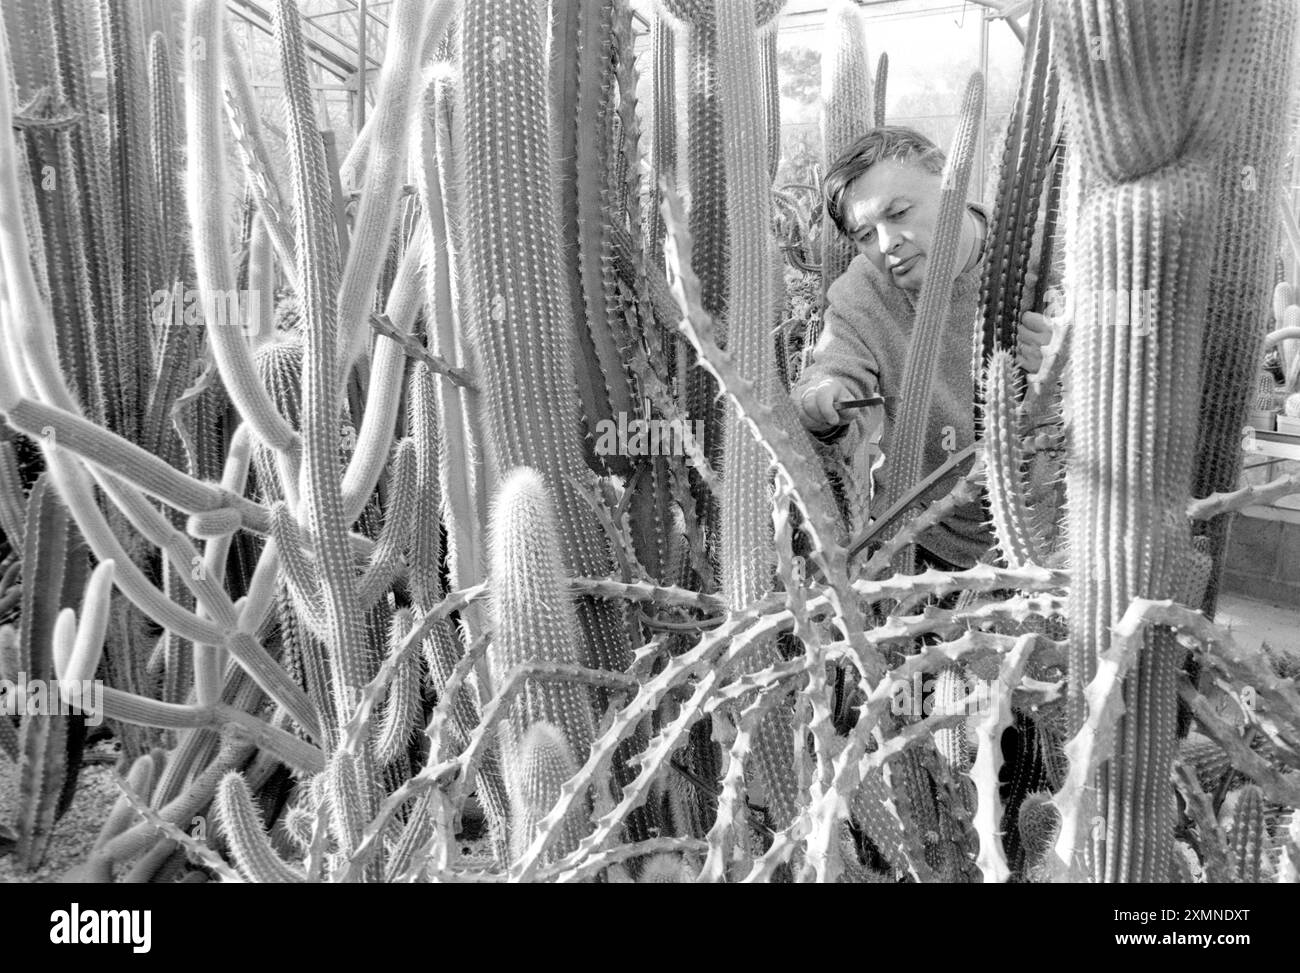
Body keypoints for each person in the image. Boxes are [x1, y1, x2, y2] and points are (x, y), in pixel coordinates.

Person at [790, 126, 1052, 569]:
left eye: (899, 212)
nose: (887, 242)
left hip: (1055, 540)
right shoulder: (863, 291)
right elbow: (833, 368)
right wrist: (822, 401)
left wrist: (1073, 365)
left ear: (951, 180)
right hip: (924, 547)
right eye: (865, 235)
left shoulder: (1052, 257)